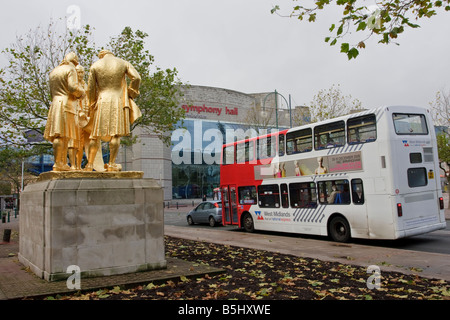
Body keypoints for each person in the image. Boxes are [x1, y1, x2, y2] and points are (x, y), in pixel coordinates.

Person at [84, 50, 141, 171]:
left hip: (101, 100)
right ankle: (111, 163)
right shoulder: (123, 63)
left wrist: (91, 105)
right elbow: (136, 78)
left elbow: (91, 89)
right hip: (118, 100)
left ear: (101, 55)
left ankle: (89, 164)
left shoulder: (95, 65)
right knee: (116, 134)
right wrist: (132, 92)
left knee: (95, 135)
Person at [44, 52, 85, 171]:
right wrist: (81, 93)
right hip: (67, 104)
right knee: (64, 135)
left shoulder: (54, 71)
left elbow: (51, 92)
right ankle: (59, 163)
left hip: (55, 103)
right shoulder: (70, 69)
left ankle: (60, 162)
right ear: (74, 62)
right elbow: (72, 87)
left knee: (59, 134)